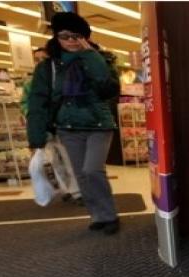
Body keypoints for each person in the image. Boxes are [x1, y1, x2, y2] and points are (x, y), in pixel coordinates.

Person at [27, 12, 121, 235]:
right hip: (67, 127)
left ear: (85, 37)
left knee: (92, 170)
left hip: (99, 124)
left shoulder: (101, 59)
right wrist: (36, 136)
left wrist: (90, 55)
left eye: (76, 36)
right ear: (56, 37)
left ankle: (109, 215)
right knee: (81, 175)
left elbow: (109, 89)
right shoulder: (48, 67)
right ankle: (97, 215)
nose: (70, 40)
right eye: (64, 36)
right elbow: (38, 101)